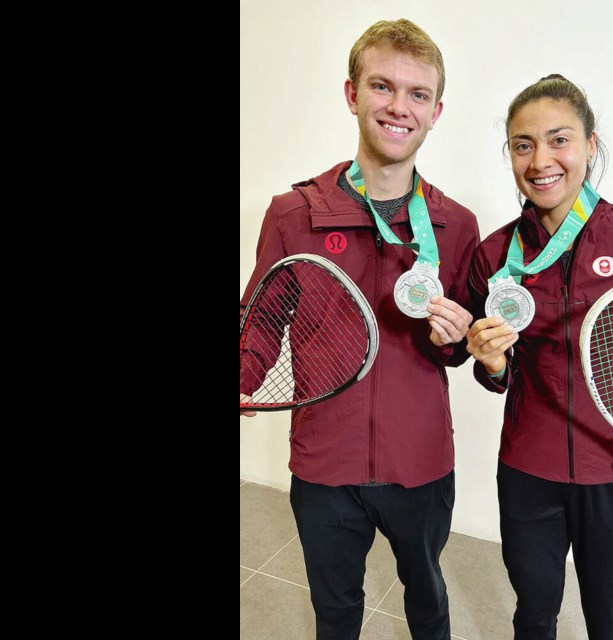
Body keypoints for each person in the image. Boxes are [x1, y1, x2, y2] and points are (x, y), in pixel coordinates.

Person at [240, 19, 479, 640]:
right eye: (382, 86)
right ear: (352, 94)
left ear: (436, 111)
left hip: (421, 463)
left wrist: (457, 339)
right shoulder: (294, 212)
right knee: (336, 611)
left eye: (417, 94)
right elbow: (261, 319)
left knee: (427, 601)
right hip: (324, 466)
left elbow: (465, 353)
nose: (399, 106)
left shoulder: (457, 225)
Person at [465, 74, 613, 640]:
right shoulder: (495, 254)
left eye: (559, 139)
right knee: (534, 613)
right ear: (510, 154)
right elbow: (489, 370)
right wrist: (493, 364)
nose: (541, 160)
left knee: (612, 621)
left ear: (591, 145)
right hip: (527, 470)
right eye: (523, 144)